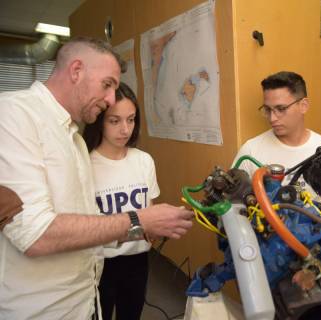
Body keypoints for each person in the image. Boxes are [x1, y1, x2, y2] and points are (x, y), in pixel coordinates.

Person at [0, 37, 193, 320]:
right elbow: (35, 234)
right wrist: (139, 219)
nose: (111, 100)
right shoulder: (14, 114)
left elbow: (88, 224)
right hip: (40, 310)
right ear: (76, 70)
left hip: (83, 301)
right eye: (107, 84)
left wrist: (149, 226)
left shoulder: (73, 139)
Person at [82, 82, 158, 320]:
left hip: (137, 259)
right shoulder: (85, 164)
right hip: (100, 262)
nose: (125, 129)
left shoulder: (144, 161)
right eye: (115, 121)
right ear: (99, 121)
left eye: (131, 119)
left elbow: (149, 209)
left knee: (131, 314)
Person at [232, 71, 321, 198]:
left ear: (304, 106)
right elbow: (233, 207)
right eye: (268, 109)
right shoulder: (251, 151)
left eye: (281, 109)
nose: (272, 118)